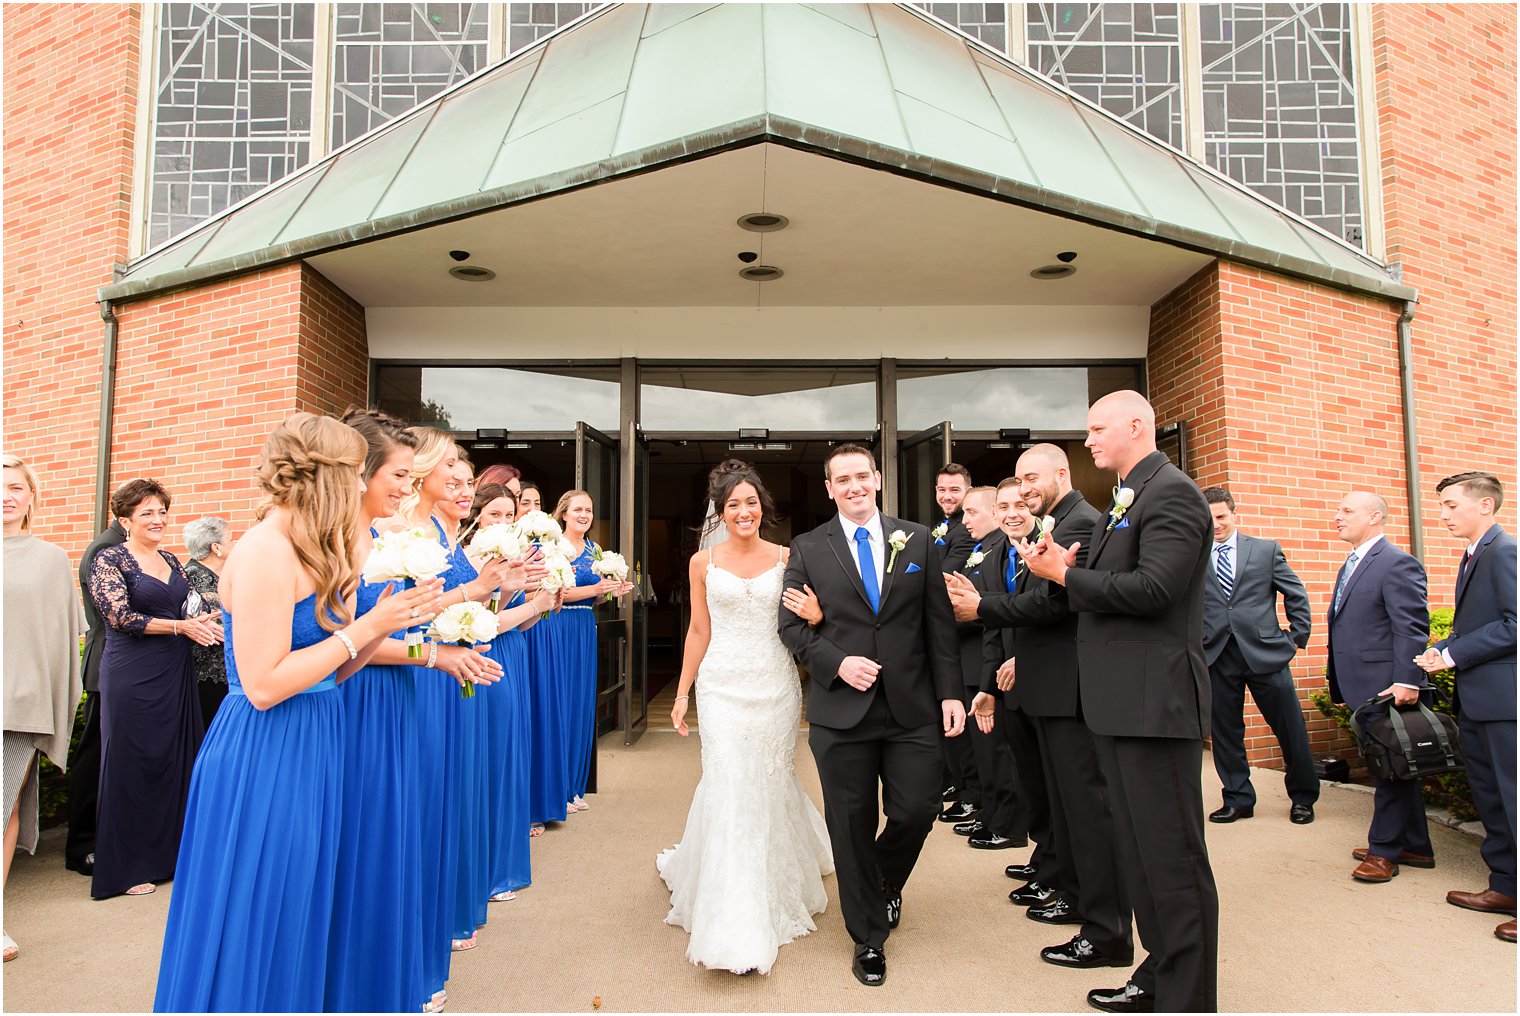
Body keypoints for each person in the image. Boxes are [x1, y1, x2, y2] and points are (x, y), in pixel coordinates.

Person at [154, 412, 442, 1012]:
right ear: (327, 478)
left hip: (318, 735)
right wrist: (365, 625)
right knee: (260, 906)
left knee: (302, 905)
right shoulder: (264, 551)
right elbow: (262, 685)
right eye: (355, 474)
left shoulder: (313, 552)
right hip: (267, 746)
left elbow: (333, 670)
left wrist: (388, 624)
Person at [1020, 391, 1218, 1013]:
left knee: (1172, 859)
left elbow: (1156, 589)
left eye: (1097, 428)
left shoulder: (1174, 493)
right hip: (1118, 705)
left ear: (1137, 425)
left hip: (1153, 706)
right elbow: (1117, 582)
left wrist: (1065, 577)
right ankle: (1158, 975)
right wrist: (1063, 565)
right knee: (1139, 855)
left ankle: (1187, 999)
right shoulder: (1127, 497)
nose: (1089, 441)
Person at [777, 444, 964, 988]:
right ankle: (868, 937)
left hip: (913, 706)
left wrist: (951, 692)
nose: (855, 486)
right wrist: (837, 661)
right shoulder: (809, 548)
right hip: (842, 712)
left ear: (877, 479)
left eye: (863, 475)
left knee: (918, 809)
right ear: (830, 488)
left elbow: (938, 625)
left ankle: (879, 883)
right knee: (850, 823)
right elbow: (790, 628)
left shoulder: (919, 539)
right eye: (844, 479)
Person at [659, 460, 834, 975]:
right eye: (733, 503)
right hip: (721, 686)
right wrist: (683, 691)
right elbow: (698, 631)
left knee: (769, 780)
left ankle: (773, 885)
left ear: (764, 507)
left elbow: (813, 614)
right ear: (720, 511)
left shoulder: (789, 555)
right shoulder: (701, 562)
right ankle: (731, 911)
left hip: (774, 684)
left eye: (751, 502)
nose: (744, 511)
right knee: (730, 782)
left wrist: (818, 617)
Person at [963, 455, 1132, 972]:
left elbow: (1050, 605)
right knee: (1065, 810)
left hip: (1069, 691)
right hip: (1047, 690)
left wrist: (981, 607)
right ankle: (1075, 895)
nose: (1026, 489)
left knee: (1086, 813)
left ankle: (1105, 929)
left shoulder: (1080, 522)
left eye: (1032, 478)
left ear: (1063, 474)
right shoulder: (1057, 522)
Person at [326, 408, 432, 1014]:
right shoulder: (341, 545)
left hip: (377, 688)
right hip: (349, 701)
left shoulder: (381, 539)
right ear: (358, 472)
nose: (404, 489)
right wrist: (432, 652)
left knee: (386, 833)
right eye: (397, 475)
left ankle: (376, 980)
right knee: (359, 836)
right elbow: (344, 641)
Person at [401, 428, 502, 1006]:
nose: (464, 490)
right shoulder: (408, 533)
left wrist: (494, 591)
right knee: (426, 803)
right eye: (455, 480)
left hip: (443, 667)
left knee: (445, 798)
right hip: (420, 672)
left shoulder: (444, 534)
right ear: (422, 477)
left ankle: (443, 915)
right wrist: (480, 591)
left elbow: (452, 606)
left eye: (469, 482)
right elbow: (408, 616)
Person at [87, 479, 219, 899]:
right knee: (130, 762)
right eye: (147, 512)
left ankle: (170, 856)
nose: (158, 519)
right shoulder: (108, 559)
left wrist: (216, 618)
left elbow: (193, 606)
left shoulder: (171, 559)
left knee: (172, 760)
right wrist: (183, 626)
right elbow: (121, 617)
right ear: (126, 520)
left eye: (162, 510)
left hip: (174, 670)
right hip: (131, 673)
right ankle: (124, 866)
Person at [1415, 472, 1517, 942]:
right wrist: (1444, 648)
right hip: (1477, 701)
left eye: (1452, 506)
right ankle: (1504, 887)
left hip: (1504, 703)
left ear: (1486, 506)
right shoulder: (1474, 555)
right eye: (1442, 506)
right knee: (1492, 799)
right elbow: (1479, 623)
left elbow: (1515, 625)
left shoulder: (1505, 551)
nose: (1443, 515)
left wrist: (1455, 654)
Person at [1325, 490, 1433, 885]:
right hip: (1360, 684)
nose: (1337, 516)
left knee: (1389, 769)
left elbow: (1411, 625)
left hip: (1385, 685)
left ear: (1374, 518)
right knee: (1396, 764)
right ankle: (1417, 845)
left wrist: (1407, 679)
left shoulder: (1396, 563)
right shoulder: (1351, 564)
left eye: (1346, 510)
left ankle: (1383, 850)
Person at [2, 456, 85, 962]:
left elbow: (62, 641)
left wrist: (55, 707)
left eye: (16, 487)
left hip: (19, 702)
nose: (6, 496)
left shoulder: (52, 559)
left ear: (31, 497)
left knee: (4, 806)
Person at [1199, 487, 1318, 824]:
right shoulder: (1193, 555)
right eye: (1209, 519)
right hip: (1217, 655)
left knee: (1289, 728)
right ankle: (1238, 798)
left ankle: (1303, 798)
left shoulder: (1265, 550)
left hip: (1265, 653)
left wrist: (1296, 637)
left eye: (1221, 516)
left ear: (1233, 514)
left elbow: (1294, 592)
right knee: (1225, 733)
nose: (1216, 524)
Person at [464, 483, 555, 896]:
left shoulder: (510, 557)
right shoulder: (471, 561)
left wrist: (542, 600)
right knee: (491, 760)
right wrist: (529, 602)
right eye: (494, 515)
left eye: (508, 514)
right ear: (477, 517)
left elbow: (519, 622)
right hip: (486, 654)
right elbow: (483, 622)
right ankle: (487, 869)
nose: (503, 522)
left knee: (509, 757)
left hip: (513, 650)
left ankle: (501, 863)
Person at [942, 486, 1024, 851]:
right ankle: (989, 811)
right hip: (973, 658)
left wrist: (963, 611)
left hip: (988, 661)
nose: (965, 521)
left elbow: (993, 609)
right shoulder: (981, 550)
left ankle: (1005, 822)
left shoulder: (999, 549)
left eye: (972, 512)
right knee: (979, 749)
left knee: (996, 751)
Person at [549, 489, 634, 813]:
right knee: (561, 704)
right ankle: (558, 786)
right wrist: (594, 589)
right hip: (558, 625)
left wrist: (610, 592)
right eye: (578, 510)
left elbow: (593, 599)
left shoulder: (595, 549)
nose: (584, 515)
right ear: (564, 513)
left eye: (589, 510)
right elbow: (556, 592)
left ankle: (575, 786)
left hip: (585, 625)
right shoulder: (555, 547)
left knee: (581, 704)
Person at [66, 510, 125, 877]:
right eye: (146, 510)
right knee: (95, 754)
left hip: (129, 668)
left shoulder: (125, 545)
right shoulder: (106, 548)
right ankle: (81, 845)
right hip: (108, 665)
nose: (157, 518)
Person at [932, 464, 980, 821]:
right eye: (942, 489)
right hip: (948, 637)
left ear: (968, 490)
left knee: (963, 721)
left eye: (954, 490)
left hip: (963, 636)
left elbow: (944, 576)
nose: (947, 496)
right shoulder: (944, 528)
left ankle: (970, 791)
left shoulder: (965, 531)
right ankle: (956, 781)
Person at [182, 516, 233, 727]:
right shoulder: (196, 577)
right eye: (230, 540)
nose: (234, 545)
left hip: (219, 672)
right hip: (209, 675)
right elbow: (217, 626)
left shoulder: (215, 576)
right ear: (216, 548)